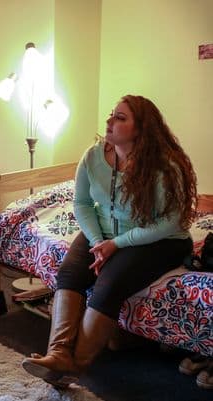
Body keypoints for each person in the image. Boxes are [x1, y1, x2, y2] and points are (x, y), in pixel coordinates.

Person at [22, 94, 198, 387]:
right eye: (111, 114)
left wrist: (116, 244)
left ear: (141, 129)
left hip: (160, 240)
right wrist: (96, 241)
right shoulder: (93, 156)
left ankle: (73, 367)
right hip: (102, 234)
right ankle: (58, 353)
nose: (109, 121)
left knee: (109, 284)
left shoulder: (165, 166)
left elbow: (172, 221)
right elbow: (81, 204)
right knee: (69, 273)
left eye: (120, 117)